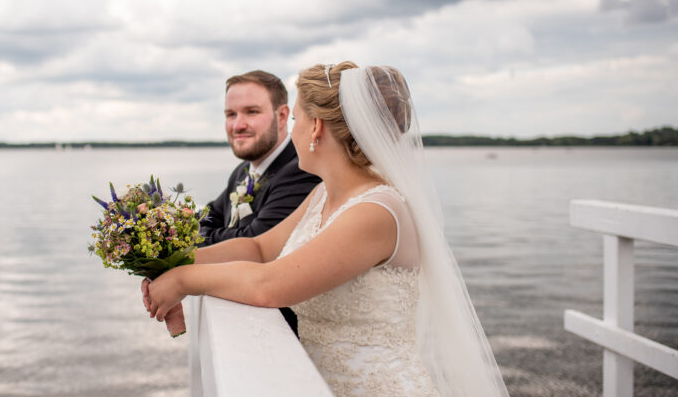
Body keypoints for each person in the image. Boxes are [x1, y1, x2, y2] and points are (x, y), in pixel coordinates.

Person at [142, 62, 509, 397]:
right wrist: (170, 261)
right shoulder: (322, 193)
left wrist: (184, 281)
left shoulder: (375, 210)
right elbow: (259, 249)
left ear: (315, 127)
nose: (293, 129)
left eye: (296, 119)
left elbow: (269, 285)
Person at [199, 70, 320, 246]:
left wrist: (193, 237)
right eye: (231, 114)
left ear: (282, 116)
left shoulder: (301, 170)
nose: (238, 125)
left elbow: (254, 240)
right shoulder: (243, 171)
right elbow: (207, 217)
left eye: (252, 112)